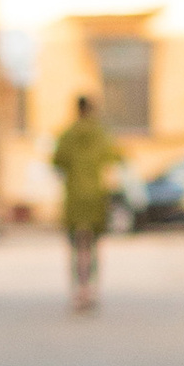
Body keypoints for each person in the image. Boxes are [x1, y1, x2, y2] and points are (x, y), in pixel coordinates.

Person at [50, 95, 125, 311]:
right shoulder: (101, 134)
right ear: (92, 110)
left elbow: (57, 162)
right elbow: (116, 158)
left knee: (77, 247)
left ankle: (78, 290)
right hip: (95, 197)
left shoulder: (67, 135)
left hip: (74, 198)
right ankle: (90, 290)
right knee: (92, 246)